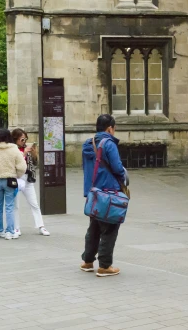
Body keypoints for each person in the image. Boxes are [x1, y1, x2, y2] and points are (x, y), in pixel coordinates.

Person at [80, 114, 127, 277]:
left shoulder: (88, 144)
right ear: (110, 128)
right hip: (109, 192)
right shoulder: (109, 144)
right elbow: (117, 167)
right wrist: (124, 179)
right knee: (110, 227)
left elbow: (86, 167)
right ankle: (105, 266)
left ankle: (87, 261)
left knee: (94, 226)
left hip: (94, 193)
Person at [11, 128, 50, 237]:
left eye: (25, 139)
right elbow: (14, 164)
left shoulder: (26, 148)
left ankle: (41, 226)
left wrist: (34, 154)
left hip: (27, 178)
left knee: (34, 204)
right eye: (22, 139)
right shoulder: (12, 149)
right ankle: (16, 227)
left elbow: (34, 163)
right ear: (16, 139)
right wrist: (23, 154)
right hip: (16, 179)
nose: (24, 142)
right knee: (15, 205)